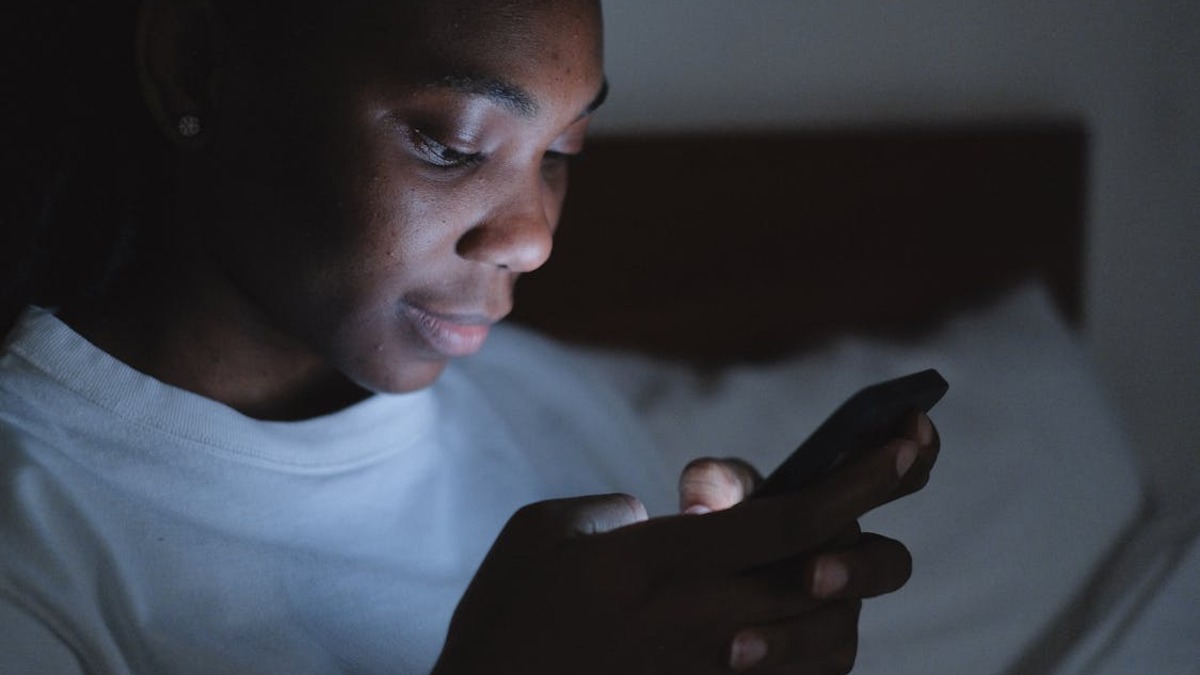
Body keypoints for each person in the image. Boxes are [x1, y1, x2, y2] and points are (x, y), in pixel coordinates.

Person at [0, 0, 940, 672]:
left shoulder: (548, 406)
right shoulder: (34, 552)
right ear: (195, 63)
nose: (532, 238)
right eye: (451, 143)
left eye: (564, 152)